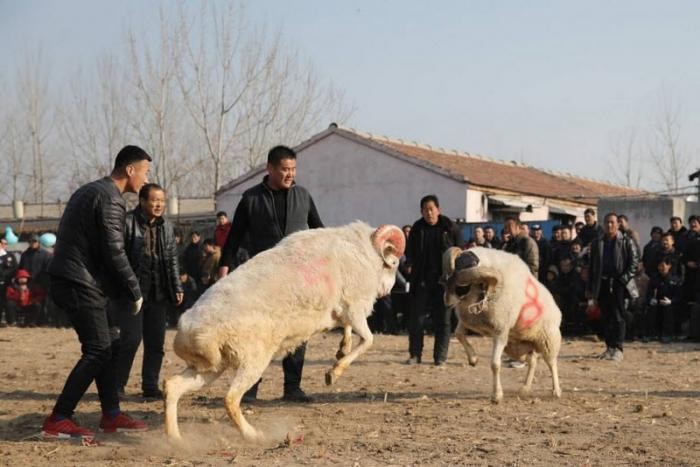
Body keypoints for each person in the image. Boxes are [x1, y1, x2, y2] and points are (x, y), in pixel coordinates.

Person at [41, 145, 151, 440]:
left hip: (81, 280)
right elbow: (114, 251)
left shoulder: (93, 191)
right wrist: (134, 288)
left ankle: (111, 415)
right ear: (130, 170)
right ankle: (59, 418)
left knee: (111, 344)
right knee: (98, 349)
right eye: (145, 171)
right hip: (78, 281)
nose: (145, 178)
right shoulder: (110, 199)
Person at [217, 145, 323, 403]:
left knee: (298, 333)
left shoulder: (304, 196)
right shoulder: (251, 199)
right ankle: (250, 388)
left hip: (298, 279)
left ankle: (293, 387)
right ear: (270, 168)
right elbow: (234, 237)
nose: (290, 174)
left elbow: (319, 232)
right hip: (263, 281)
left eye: (294, 169)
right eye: (285, 169)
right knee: (258, 334)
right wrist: (223, 269)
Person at [115, 183, 183, 400]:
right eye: (154, 200)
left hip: (158, 291)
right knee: (131, 339)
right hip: (132, 292)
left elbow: (172, 259)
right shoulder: (126, 222)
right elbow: (118, 256)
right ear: (142, 201)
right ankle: (117, 385)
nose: (158, 205)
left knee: (156, 343)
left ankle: (150, 385)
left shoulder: (167, 226)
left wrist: (176, 286)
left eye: (162, 201)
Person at [404, 194, 461, 367]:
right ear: (421, 212)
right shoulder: (417, 228)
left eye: (431, 209)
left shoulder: (450, 227)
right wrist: (409, 264)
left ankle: (440, 357)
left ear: (438, 209)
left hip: (444, 282)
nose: (429, 213)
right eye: (425, 210)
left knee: (443, 320)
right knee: (417, 320)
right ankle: (415, 355)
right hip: (421, 280)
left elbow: (460, 252)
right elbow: (410, 253)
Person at [587, 212, 640, 362]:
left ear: (618, 224)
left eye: (612, 222)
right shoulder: (598, 242)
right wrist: (590, 287)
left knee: (618, 316)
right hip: (602, 283)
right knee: (606, 316)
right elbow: (592, 267)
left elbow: (634, 263)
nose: (609, 225)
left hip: (619, 283)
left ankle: (618, 348)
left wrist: (623, 279)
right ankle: (609, 347)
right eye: (607, 222)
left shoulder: (626, 241)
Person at [645, 256, 682, 343]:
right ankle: (651, 334)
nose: (661, 268)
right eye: (659, 266)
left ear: (669, 266)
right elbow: (649, 293)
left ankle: (667, 334)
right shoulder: (654, 279)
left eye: (663, 265)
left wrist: (671, 301)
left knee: (668, 309)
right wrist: (651, 299)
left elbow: (679, 296)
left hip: (670, 303)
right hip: (657, 302)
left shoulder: (675, 279)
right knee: (651, 309)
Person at [19, 233, 52, 325]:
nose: (33, 243)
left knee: (43, 304)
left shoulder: (46, 255)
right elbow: (21, 269)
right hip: (28, 284)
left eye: (35, 241)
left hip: (42, 284)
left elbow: (48, 271)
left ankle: (43, 322)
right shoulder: (24, 255)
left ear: (39, 242)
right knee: (29, 303)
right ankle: (30, 321)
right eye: (30, 241)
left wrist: (44, 283)